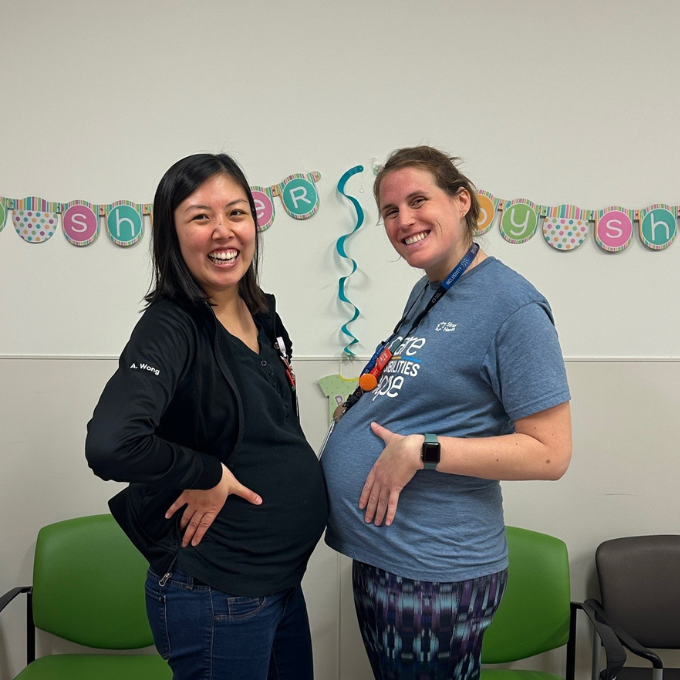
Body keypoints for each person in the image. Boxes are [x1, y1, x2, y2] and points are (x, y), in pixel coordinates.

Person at [321, 146, 572, 680]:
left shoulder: (514, 308)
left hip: (434, 569)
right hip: (387, 555)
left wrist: (421, 450)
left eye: (418, 200)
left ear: (462, 201)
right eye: (390, 210)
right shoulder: (430, 289)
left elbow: (551, 454)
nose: (403, 220)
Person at [86, 153, 328, 680]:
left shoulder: (260, 312)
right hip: (219, 594)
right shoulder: (170, 326)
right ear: (172, 234)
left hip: (278, 582)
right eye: (200, 216)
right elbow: (112, 443)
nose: (224, 231)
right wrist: (207, 473)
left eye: (237, 213)